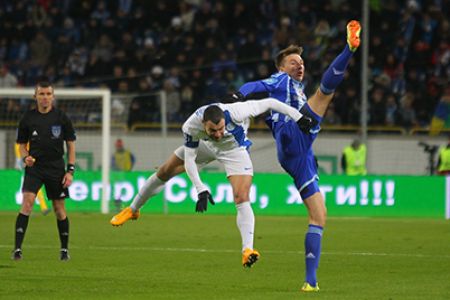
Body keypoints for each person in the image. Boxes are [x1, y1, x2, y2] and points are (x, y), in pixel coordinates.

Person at [233, 20, 361, 291]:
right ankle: (349, 49)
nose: (299, 65)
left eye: (301, 62)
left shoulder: (295, 89)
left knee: (319, 216)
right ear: (281, 67)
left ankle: (310, 282)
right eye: (293, 61)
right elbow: (255, 85)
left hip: (299, 151)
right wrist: (238, 95)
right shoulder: (280, 79)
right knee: (325, 94)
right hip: (292, 135)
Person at [110, 97, 308, 268]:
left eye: (221, 128)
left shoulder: (237, 112)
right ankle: (133, 209)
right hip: (206, 147)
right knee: (164, 171)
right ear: (204, 124)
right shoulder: (191, 126)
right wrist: (200, 188)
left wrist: (298, 118)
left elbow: (270, 102)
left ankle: (247, 249)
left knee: (241, 196)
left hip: (234, 152)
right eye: (213, 130)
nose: (219, 133)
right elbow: (190, 160)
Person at [12, 81, 76, 261]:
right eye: (42, 94)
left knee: (59, 208)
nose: (45, 97)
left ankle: (64, 250)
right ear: (35, 97)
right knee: (27, 202)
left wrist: (70, 171)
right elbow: (22, 145)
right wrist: (25, 158)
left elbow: (71, 146)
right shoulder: (27, 118)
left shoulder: (62, 118)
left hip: (56, 168)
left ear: (53, 97)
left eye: (48, 94)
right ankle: (17, 249)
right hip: (35, 167)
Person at [14, 143, 51, 215]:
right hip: (27, 165)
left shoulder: (23, 142)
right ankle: (41, 208)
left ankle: (42, 208)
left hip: (28, 164)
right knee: (31, 189)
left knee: (31, 189)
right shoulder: (23, 142)